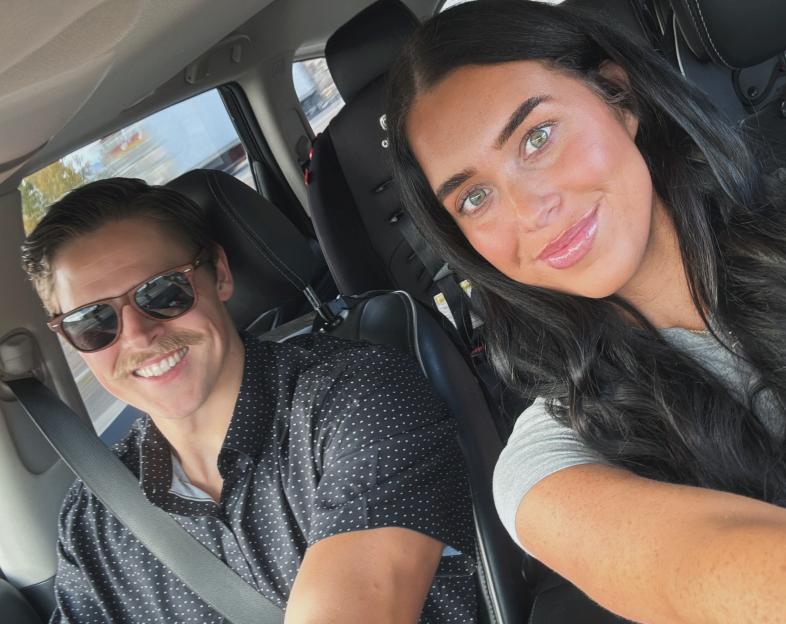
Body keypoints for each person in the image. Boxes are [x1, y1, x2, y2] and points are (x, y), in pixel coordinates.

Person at [385, 1, 786, 623]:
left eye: (537, 137)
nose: (530, 210)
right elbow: (699, 568)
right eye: (474, 197)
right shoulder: (548, 462)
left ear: (618, 98)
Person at [21, 178, 478, 624]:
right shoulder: (93, 521)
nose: (139, 335)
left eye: (162, 292)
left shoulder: (358, 397)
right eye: (93, 321)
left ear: (219, 273)